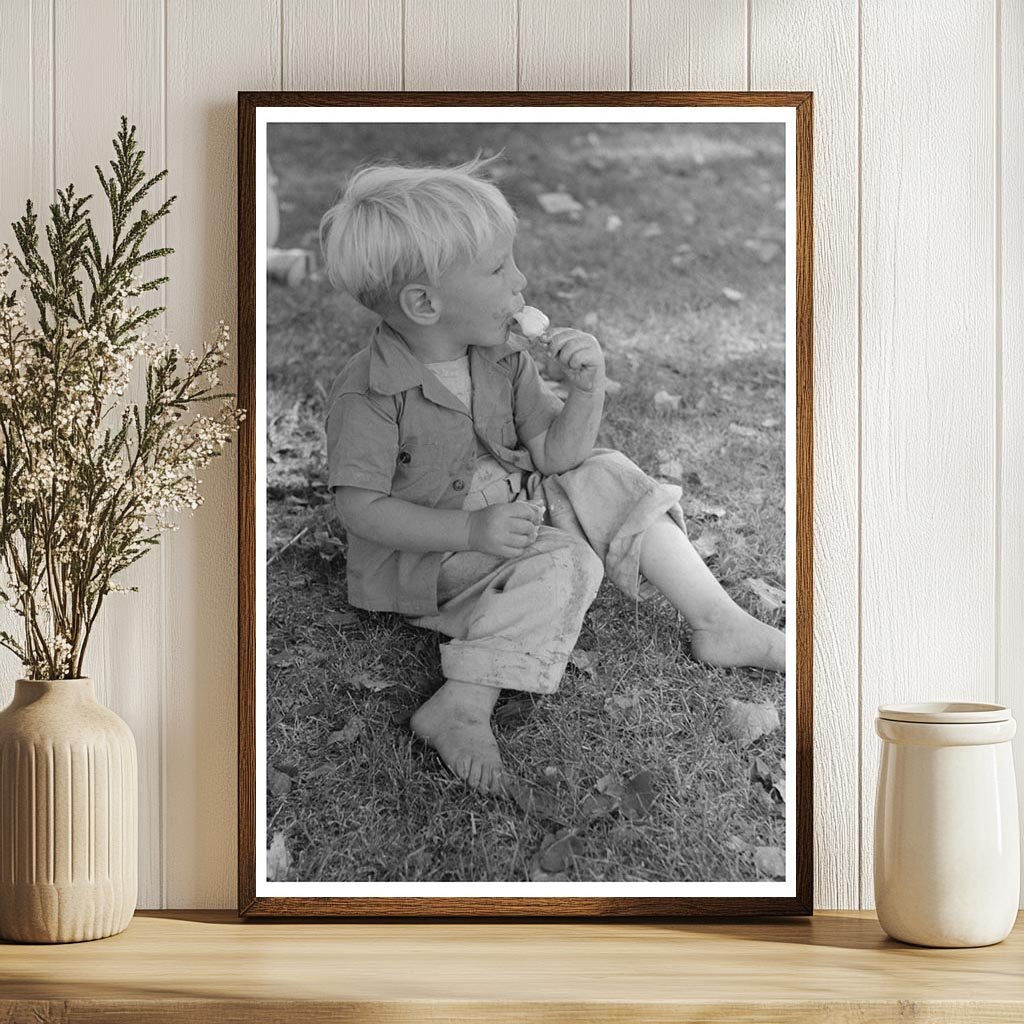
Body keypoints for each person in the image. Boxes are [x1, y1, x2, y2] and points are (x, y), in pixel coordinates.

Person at [321, 154, 785, 795]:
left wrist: (586, 392)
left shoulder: (501, 355)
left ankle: (718, 621)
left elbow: (555, 457)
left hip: (510, 510)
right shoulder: (370, 392)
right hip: (435, 561)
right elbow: (361, 509)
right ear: (425, 303)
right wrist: (473, 530)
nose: (521, 279)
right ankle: (461, 703)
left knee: (607, 471)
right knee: (568, 564)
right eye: (497, 269)